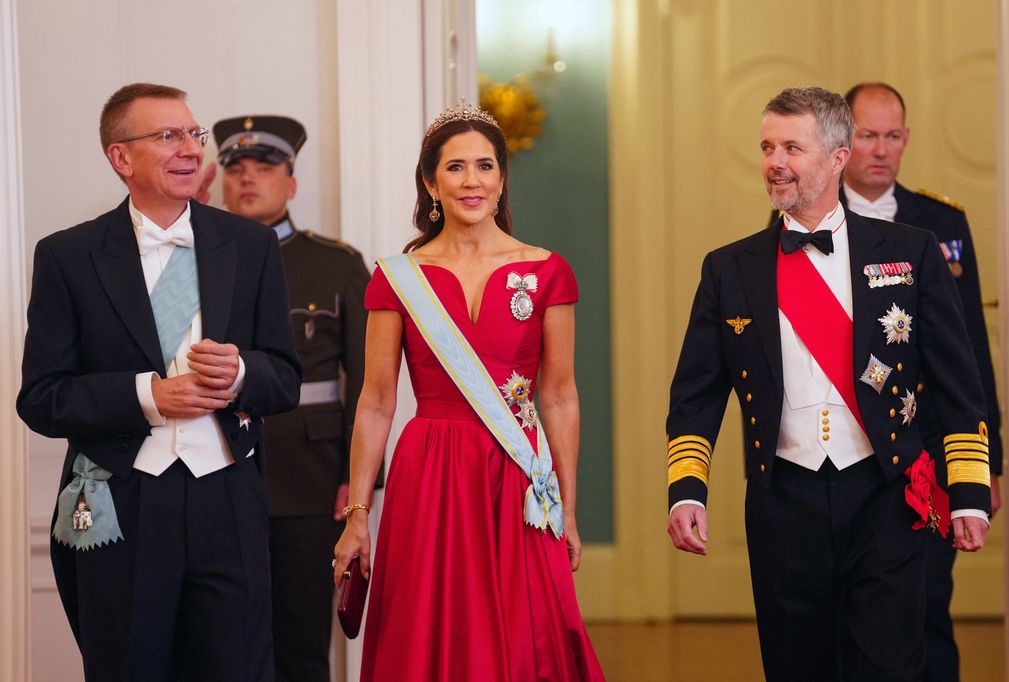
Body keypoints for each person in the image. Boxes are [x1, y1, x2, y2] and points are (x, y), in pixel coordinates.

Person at [667, 86, 992, 681]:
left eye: (793, 146)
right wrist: (688, 487)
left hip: (887, 494)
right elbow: (696, 393)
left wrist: (968, 488)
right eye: (768, 146)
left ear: (837, 157)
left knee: (890, 668)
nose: (775, 161)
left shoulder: (911, 252)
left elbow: (957, 380)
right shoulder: (730, 268)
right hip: (782, 502)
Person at [17, 83, 301, 681]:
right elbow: (42, 397)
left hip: (228, 500)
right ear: (121, 157)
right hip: (124, 504)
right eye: (167, 135)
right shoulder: (69, 256)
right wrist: (149, 395)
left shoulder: (249, 247)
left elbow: (284, 378)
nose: (190, 149)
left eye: (194, 135)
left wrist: (244, 372)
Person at [331, 99, 605, 681]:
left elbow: (558, 396)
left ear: (503, 178)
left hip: (517, 473)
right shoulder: (397, 277)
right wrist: (358, 514)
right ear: (431, 182)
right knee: (430, 628)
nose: (471, 180)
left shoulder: (547, 270)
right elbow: (376, 401)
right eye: (455, 168)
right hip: (429, 473)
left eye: (485, 166)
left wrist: (569, 508)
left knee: (528, 629)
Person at [840, 81, 1003, 682]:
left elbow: (970, 356)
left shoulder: (942, 222)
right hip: (846, 451)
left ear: (906, 139)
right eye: (866, 135)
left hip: (930, 449)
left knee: (929, 604)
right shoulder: (806, 217)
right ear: (841, 138)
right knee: (845, 615)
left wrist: (985, 464)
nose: (880, 150)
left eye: (892, 136)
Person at [211, 114, 371, 682]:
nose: (248, 179)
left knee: (301, 643)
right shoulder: (194, 258)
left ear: (292, 184)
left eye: (264, 168)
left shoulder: (335, 264)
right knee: (224, 641)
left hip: (307, 478)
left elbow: (367, 385)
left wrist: (358, 478)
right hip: (213, 471)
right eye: (236, 169)